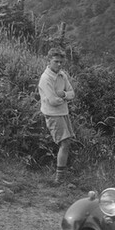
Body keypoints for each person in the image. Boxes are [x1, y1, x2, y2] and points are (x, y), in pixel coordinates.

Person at [38, 47, 76, 184]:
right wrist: (65, 98)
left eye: (61, 62)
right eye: (56, 61)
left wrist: (64, 95)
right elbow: (52, 101)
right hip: (52, 114)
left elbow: (72, 93)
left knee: (67, 142)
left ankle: (61, 176)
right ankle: (59, 178)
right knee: (64, 142)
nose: (59, 64)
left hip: (63, 112)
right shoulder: (45, 78)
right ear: (49, 61)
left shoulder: (62, 75)